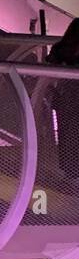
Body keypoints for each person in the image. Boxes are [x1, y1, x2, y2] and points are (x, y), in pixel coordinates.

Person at [48, 21, 79, 181]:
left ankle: (71, 176)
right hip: (69, 98)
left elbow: (52, 62)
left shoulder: (63, 50)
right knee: (70, 136)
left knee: (69, 137)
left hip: (66, 98)